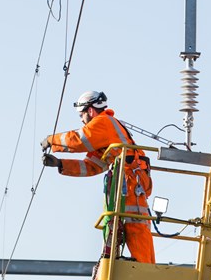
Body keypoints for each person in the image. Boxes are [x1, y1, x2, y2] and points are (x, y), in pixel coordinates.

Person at [42, 90, 156, 263]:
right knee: (123, 220)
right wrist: (61, 164)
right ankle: (133, 261)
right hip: (126, 179)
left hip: (132, 178)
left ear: (90, 110)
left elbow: (80, 139)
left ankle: (143, 265)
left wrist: (52, 140)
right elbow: (92, 166)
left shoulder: (103, 122)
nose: (81, 120)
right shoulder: (103, 136)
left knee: (135, 221)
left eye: (81, 115)